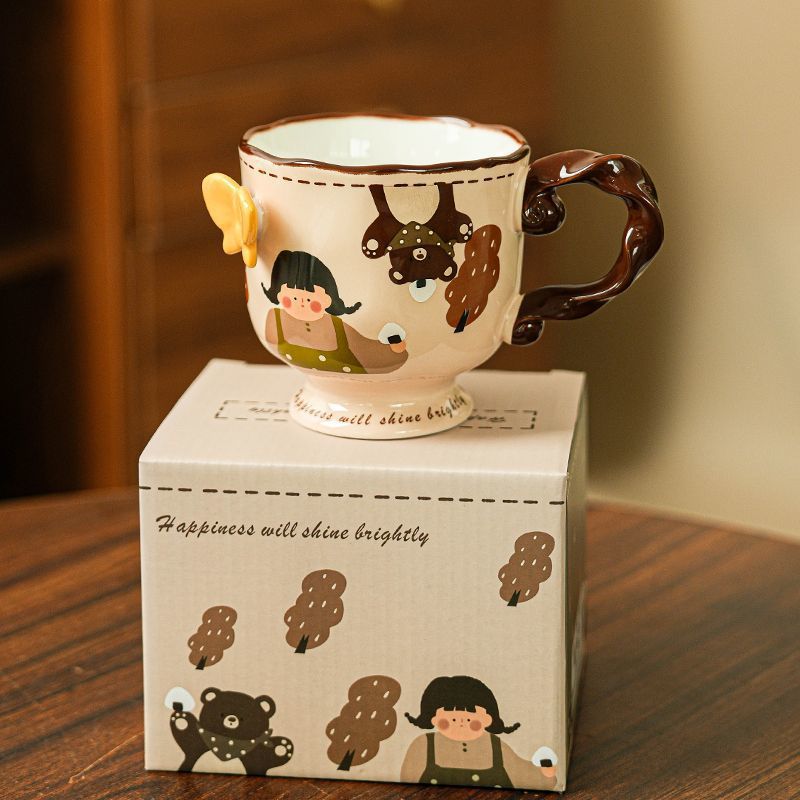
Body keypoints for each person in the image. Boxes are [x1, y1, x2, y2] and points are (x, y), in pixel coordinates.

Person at [400, 675, 558, 790]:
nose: (461, 723)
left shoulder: (497, 747)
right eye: (451, 720)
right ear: (433, 718)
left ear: (488, 720)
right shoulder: (423, 746)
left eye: (470, 720)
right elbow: (407, 779)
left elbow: (521, 772)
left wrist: (545, 772)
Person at [262, 250, 407, 375]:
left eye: (310, 300)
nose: (301, 304)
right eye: (293, 298)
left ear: (328, 299)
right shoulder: (276, 318)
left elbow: (364, 348)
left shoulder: (337, 327)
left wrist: (392, 349)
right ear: (278, 294)